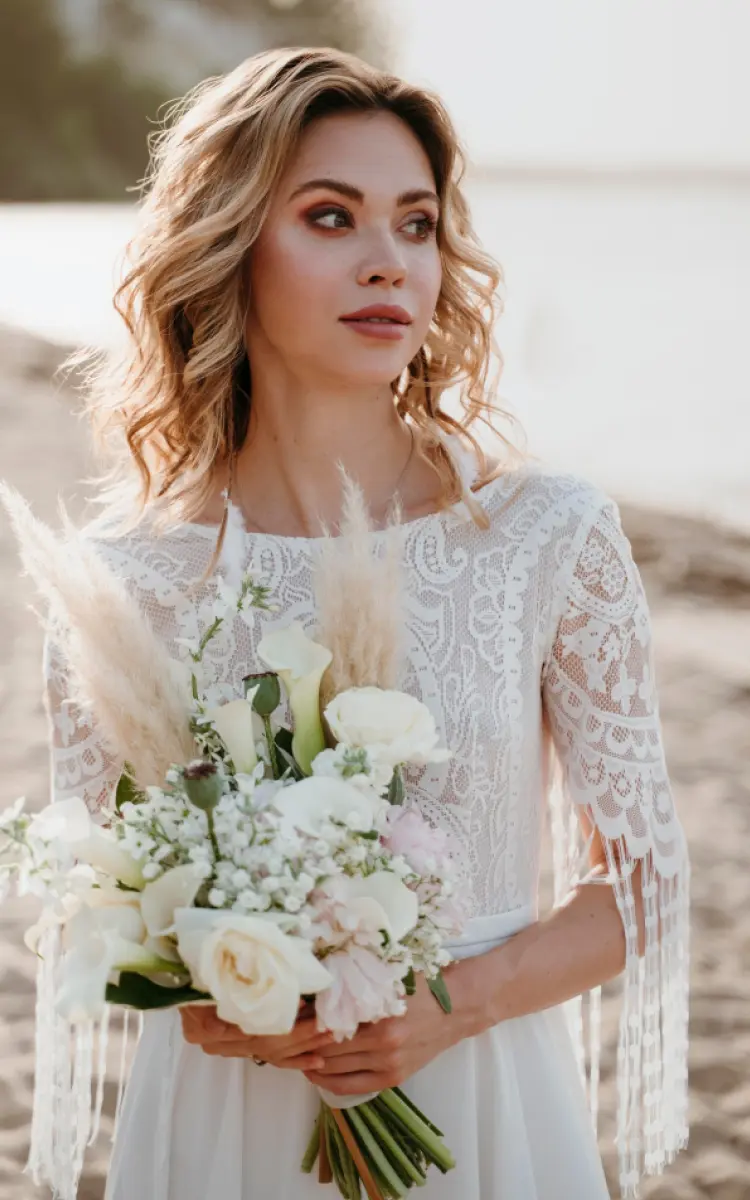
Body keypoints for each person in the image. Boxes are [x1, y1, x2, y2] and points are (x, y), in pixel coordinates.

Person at [39, 46, 690, 1200]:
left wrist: (452, 1007)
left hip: (483, 1091)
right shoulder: (128, 580)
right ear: (231, 242)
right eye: (332, 218)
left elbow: (641, 880)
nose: (389, 262)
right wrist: (206, 990)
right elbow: (103, 906)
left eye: (418, 223)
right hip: (228, 1120)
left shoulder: (543, 537)